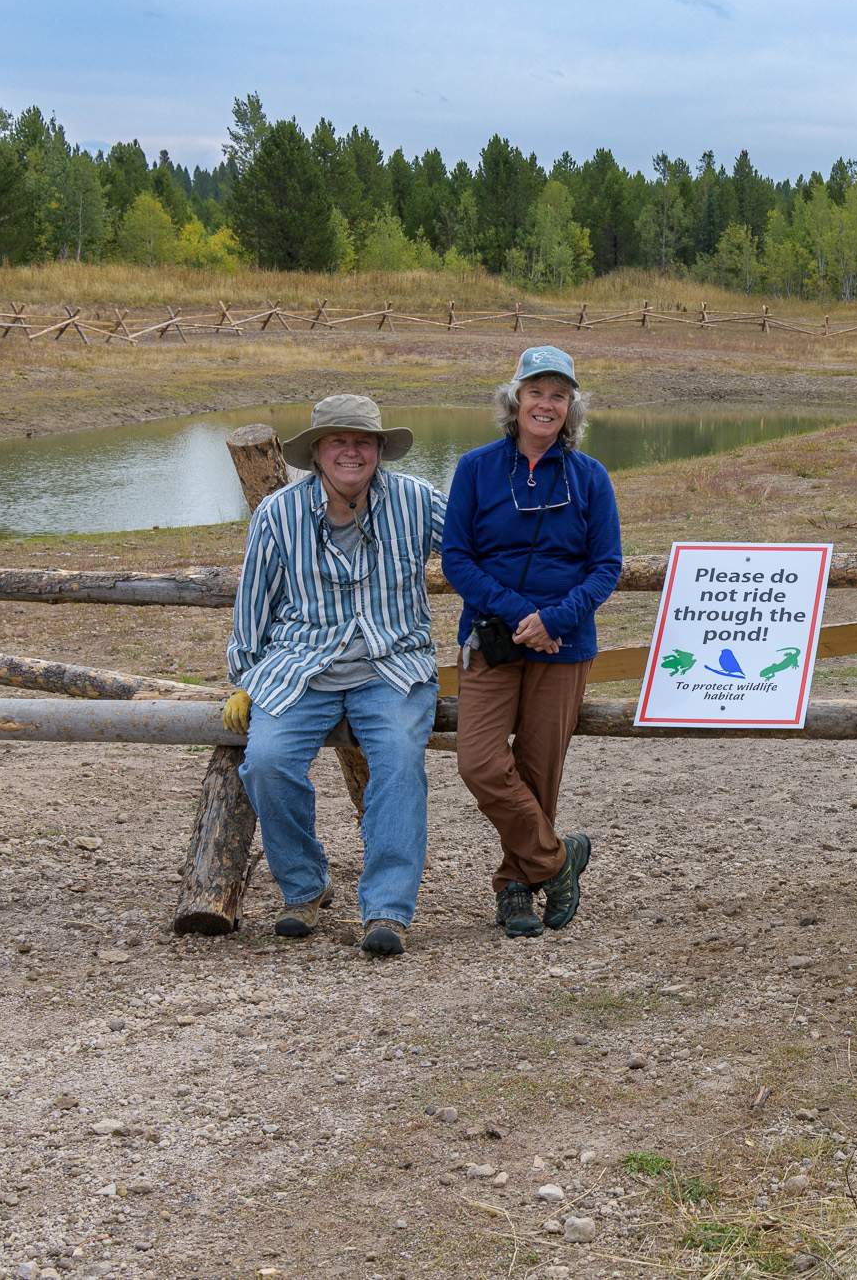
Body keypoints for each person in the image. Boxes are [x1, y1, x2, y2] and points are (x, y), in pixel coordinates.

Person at [223, 394, 446, 957]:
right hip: (301, 666)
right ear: (318, 451)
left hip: (392, 666)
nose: (351, 451)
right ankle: (305, 887)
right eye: (338, 441)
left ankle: (388, 909)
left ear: (379, 449)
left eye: (363, 441)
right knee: (268, 763)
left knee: (397, 760)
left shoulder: (418, 500)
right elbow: (254, 601)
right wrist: (247, 677)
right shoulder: (277, 512)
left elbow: (480, 549)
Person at [441, 347, 620, 939]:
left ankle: (515, 886)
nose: (546, 404)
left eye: (559, 395)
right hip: (493, 638)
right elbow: (457, 559)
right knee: (481, 763)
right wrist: (523, 615)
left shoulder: (591, 477)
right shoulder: (474, 468)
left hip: (563, 644)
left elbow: (606, 566)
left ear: (571, 409)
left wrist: (556, 620)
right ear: (515, 399)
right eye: (536, 391)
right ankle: (557, 860)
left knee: (540, 771)